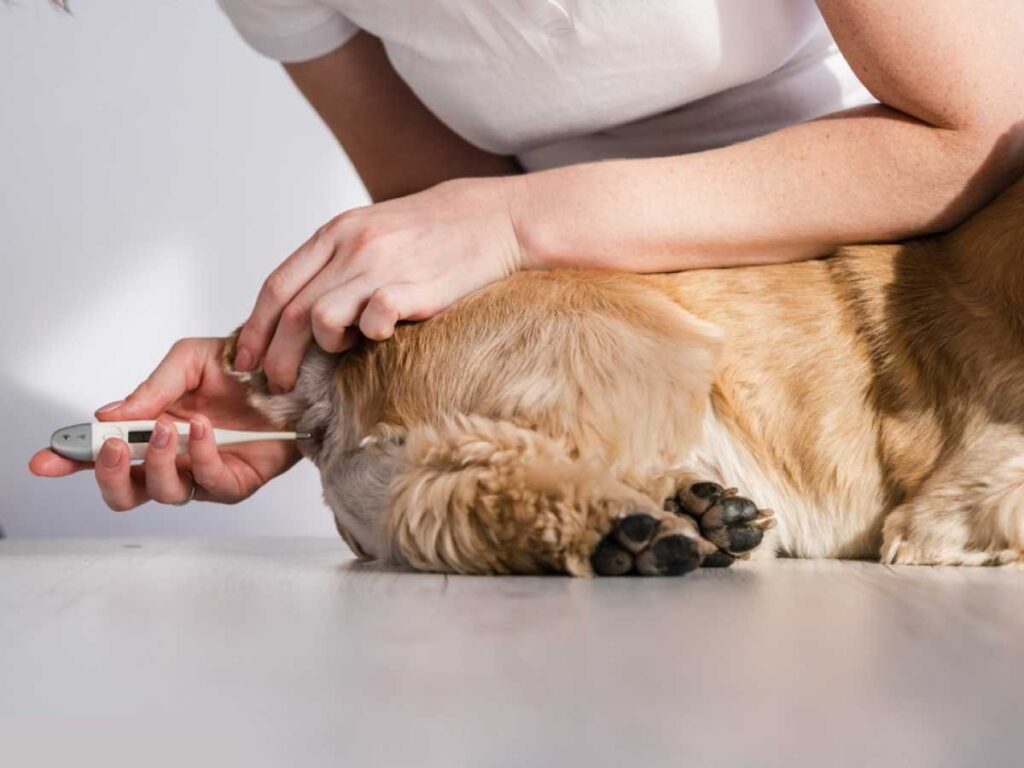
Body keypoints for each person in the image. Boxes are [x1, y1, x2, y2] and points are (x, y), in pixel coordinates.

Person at [30, 0, 1024, 511]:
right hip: (634, 383)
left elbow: (978, 129)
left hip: (896, 330)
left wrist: (513, 222)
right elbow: (444, 246)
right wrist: (316, 393)